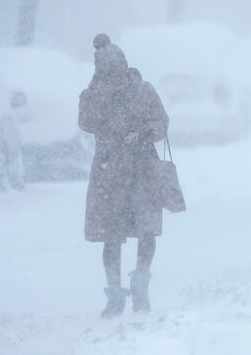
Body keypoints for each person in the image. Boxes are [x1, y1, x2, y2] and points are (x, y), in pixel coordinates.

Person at [79, 33, 169, 318]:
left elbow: (161, 122)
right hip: (110, 174)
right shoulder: (94, 94)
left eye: (115, 72)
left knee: (146, 229)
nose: (113, 79)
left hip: (142, 171)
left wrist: (146, 132)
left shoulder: (143, 90)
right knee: (111, 236)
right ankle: (115, 294)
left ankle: (140, 287)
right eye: (106, 74)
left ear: (124, 66)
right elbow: (86, 122)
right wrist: (96, 91)